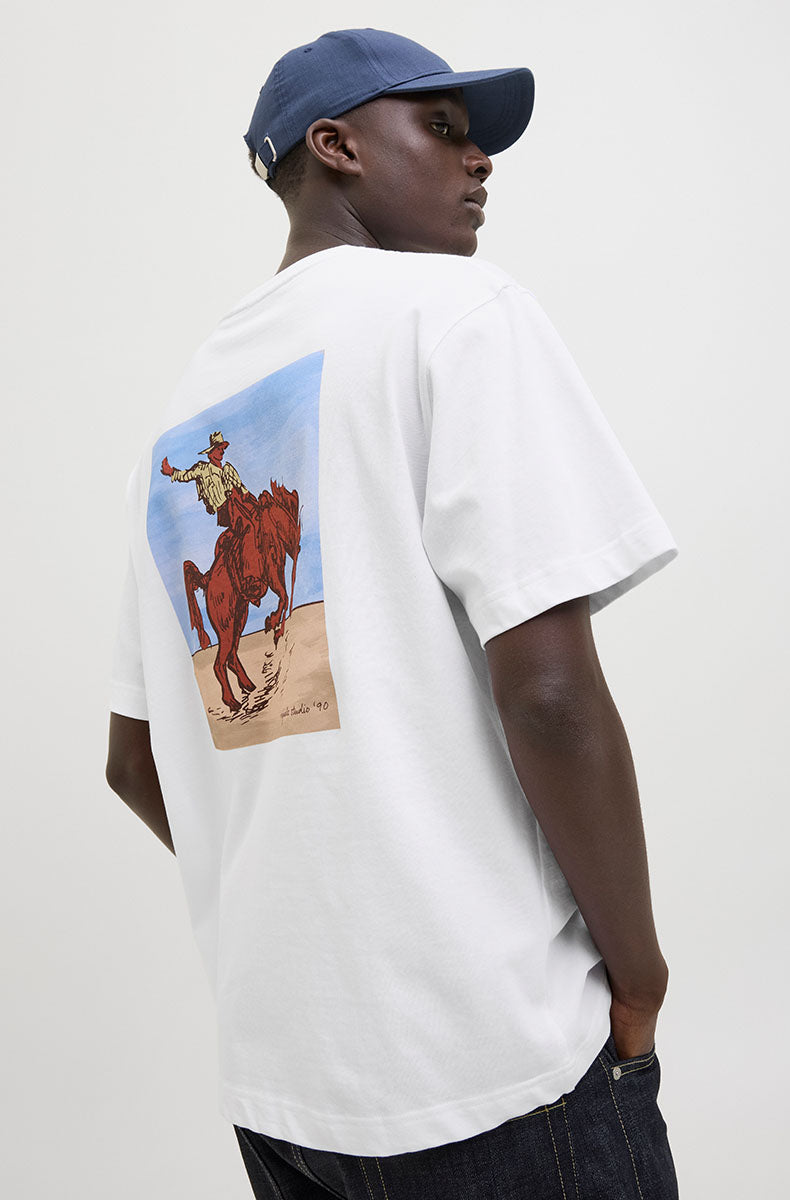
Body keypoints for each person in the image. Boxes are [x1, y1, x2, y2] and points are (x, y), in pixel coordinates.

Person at [105, 26, 681, 1199]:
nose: (479, 160)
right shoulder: (454, 315)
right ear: (336, 146)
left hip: (279, 1085)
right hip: (492, 1065)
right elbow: (549, 693)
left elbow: (134, 760)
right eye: (443, 127)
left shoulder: (180, 418)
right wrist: (638, 975)